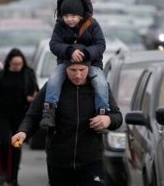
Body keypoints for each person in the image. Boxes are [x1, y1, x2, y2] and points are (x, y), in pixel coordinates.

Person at [12, 58, 123, 186]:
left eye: (82, 70)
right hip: (59, 161)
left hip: (91, 160)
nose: (77, 75)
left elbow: (117, 117)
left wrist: (108, 119)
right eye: (73, 70)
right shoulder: (52, 88)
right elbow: (33, 115)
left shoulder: (100, 89)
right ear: (65, 69)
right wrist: (23, 131)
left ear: (89, 69)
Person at [40, 0, 108, 129]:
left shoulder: (92, 25)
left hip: (92, 64)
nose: (69, 19)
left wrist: (86, 53)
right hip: (66, 63)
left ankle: (102, 112)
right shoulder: (60, 26)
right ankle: (49, 110)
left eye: (73, 16)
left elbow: (101, 45)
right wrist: (69, 51)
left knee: (101, 83)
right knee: (54, 79)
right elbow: (54, 44)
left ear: (81, 14)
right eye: (66, 16)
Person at [0, 48, 38, 186]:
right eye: (14, 64)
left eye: (19, 64)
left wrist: (31, 98)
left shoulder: (28, 73)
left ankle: (14, 177)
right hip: (3, 114)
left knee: (16, 145)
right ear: (8, 62)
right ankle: (3, 172)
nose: (17, 67)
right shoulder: (2, 74)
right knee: (4, 142)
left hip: (20, 115)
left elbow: (35, 92)